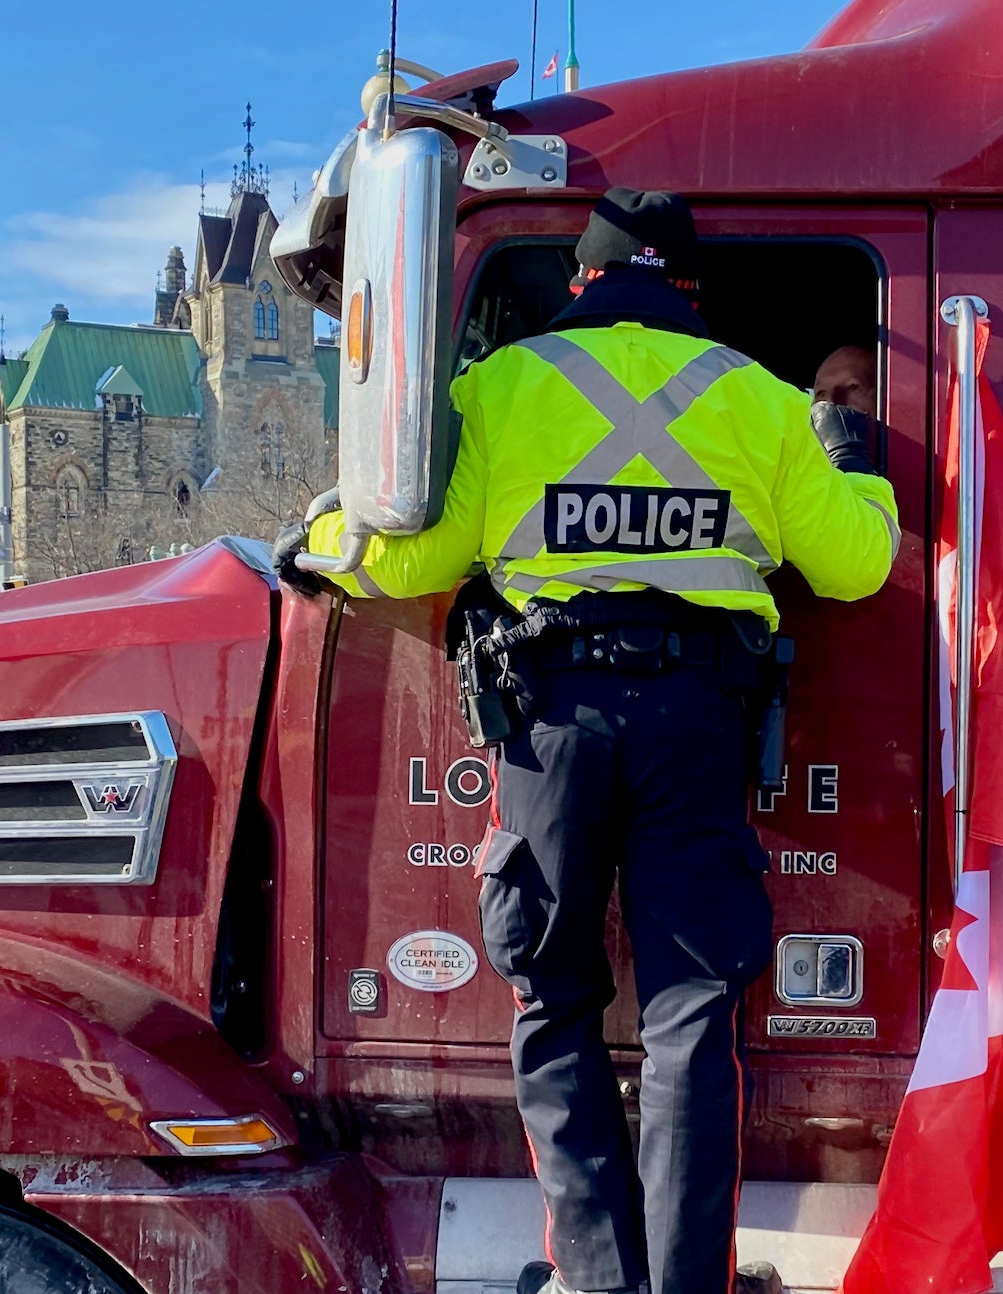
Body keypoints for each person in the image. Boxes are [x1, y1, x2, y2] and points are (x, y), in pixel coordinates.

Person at [282, 189, 899, 1294]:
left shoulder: (504, 384)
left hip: (548, 721)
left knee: (552, 998)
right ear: (691, 293)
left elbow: (414, 561)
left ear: (580, 282)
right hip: (699, 722)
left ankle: (597, 1281)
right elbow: (854, 566)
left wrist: (324, 539)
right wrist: (852, 461)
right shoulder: (758, 400)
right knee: (691, 1011)